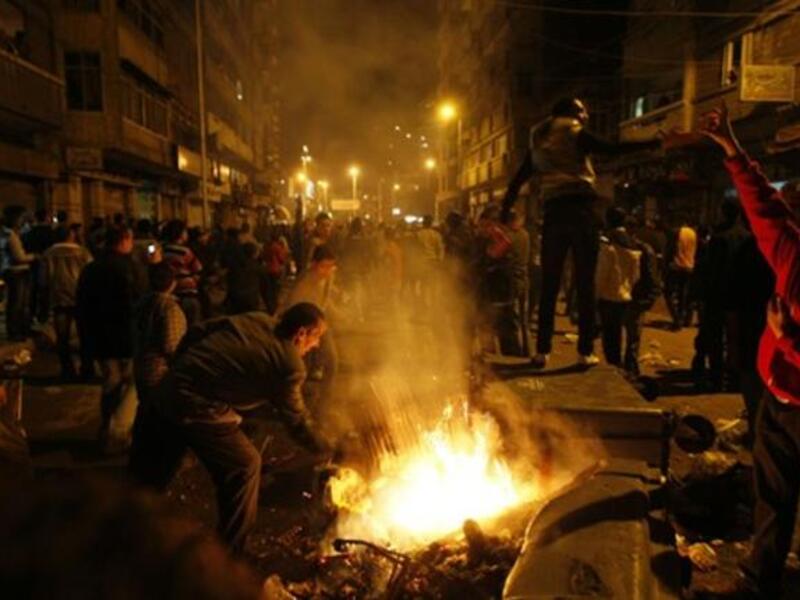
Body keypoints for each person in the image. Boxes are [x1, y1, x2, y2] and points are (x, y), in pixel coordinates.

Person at [129, 303, 329, 553]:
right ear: (301, 333)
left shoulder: (258, 318)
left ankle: (124, 533)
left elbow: (198, 331)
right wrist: (325, 447)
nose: (317, 344)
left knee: (151, 474)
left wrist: (183, 370)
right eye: (317, 336)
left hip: (168, 390)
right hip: (197, 406)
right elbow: (296, 419)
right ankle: (231, 554)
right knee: (245, 465)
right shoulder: (290, 365)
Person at [701, 104, 800, 599]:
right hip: (779, 402)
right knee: (771, 500)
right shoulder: (792, 251)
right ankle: (758, 583)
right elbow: (763, 205)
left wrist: (787, 338)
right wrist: (732, 150)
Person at [502, 97, 669, 368]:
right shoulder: (575, 133)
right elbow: (613, 149)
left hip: (553, 214)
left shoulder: (538, 140)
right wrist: (653, 141)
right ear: (573, 113)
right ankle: (584, 351)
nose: (586, 116)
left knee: (550, 283)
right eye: (583, 111)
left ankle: (542, 351)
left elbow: (520, 177)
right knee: (585, 281)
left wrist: (505, 208)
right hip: (581, 212)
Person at [76, 225, 144, 452]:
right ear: (124, 240)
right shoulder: (131, 268)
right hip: (127, 335)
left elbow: (82, 306)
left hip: (100, 338)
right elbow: (142, 301)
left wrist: (86, 341)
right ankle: (117, 431)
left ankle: (108, 428)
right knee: (131, 383)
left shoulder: (91, 269)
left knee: (111, 382)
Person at [594, 207, 644, 371]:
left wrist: (595, 294)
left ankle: (614, 367)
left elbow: (602, 273)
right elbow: (636, 276)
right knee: (618, 333)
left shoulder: (609, 243)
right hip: (625, 296)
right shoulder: (633, 244)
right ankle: (617, 364)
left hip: (608, 296)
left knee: (610, 337)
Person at [41, 225, 93, 380]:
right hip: (81, 298)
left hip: (59, 299)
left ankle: (67, 369)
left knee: (62, 337)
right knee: (85, 335)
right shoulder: (82, 252)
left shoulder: (49, 253)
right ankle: (87, 369)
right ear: (71, 235)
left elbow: (43, 280)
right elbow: (90, 273)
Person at [134, 263, 187, 406]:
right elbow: (171, 344)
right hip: (160, 371)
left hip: (140, 365)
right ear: (172, 283)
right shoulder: (169, 307)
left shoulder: (141, 303)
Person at [0, 206, 36, 340]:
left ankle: (21, 329)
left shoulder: (11, 233)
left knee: (20, 303)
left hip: (15, 271)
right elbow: (19, 257)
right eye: (21, 217)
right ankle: (15, 331)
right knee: (17, 303)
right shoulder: (10, 234)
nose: (23, 221)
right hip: (17, 272)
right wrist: (33, 256)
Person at [162, 220, 203, 326]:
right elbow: (198, 268)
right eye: (185, 231)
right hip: (186, 294)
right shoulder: (185, 251)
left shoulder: (162, 249)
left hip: (167, 293)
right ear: (180, 234)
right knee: (192, 326)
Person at [664, 216, 697, 331]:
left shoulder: (675, 232)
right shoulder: (693, 233)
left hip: (676, 265)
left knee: (668, 293)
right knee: (683, 294)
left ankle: (677, 320)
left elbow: (670, 249)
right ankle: (684, 319)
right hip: (689, 265)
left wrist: (666, 263)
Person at [22, 208, 55, 323]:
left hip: (32, 263)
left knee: (33, 291)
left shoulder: (29, 233)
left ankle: (31, 313)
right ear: (46, 217)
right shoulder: (51, 233)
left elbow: (25, 247)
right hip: (47, 264)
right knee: (45, 290)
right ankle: (43, 315)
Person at [225, 242, 271, 315]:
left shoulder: (234, 266)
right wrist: (270, 307)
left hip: (235, 299)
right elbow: (265, 288)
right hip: (250, 300)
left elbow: (229, 282)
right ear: (254, 254)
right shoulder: (258, 267)